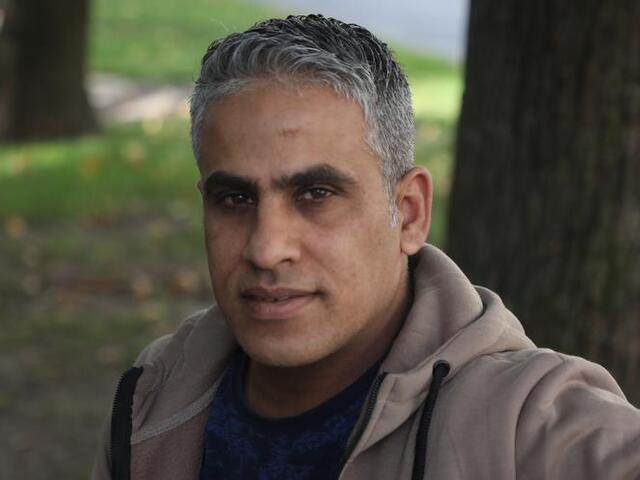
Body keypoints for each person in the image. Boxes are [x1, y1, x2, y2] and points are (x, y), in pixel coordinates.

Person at [92, 14, 640, 480]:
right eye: (235, 199)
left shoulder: (524, 425)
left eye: (316, 194)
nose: (267, 249)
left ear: (409, 212)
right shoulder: (153, 399)